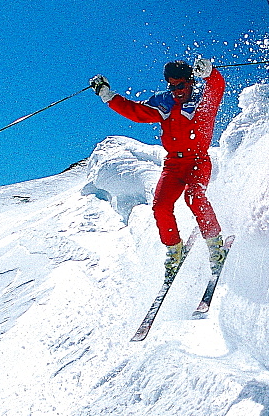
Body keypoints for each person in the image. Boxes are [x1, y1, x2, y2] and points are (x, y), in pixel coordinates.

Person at [89, 56, 227, 278]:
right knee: (161, 206)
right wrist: (108, 96)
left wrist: (210, 73)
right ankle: (174, 249)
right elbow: (135, 112)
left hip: (197, 161)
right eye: (172, 86)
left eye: (180, 85)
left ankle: (215, 246)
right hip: (174, 164)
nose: (176, 91)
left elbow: (217, 87)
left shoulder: (203, 100)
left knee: (194, 198)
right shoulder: (164, 103)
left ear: (190, 82)